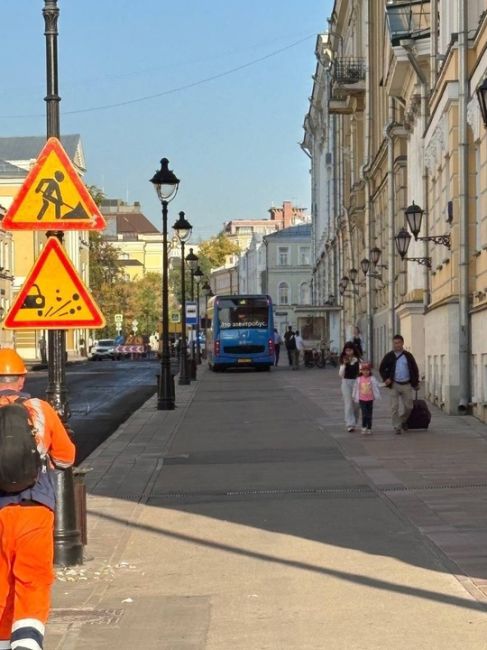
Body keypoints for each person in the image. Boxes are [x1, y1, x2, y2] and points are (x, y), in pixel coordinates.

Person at [0, 348, 75, 650]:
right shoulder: (39, 409)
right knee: (33, 579)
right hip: (34, 509)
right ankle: (28, 644)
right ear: (20, 379)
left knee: (2, 583)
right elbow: (67, 458)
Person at [379, 334, 420, 434]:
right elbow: (382, 368)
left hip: (406, 384)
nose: (396, 345)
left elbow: (414, 369)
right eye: (394, 343)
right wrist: (386, 379)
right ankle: (397, 426)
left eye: (398, 343)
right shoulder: (389, 356)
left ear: (402, 343)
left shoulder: (408, 356)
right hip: (394, 384)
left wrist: (415, 383)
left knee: (409, 406)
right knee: (394, 407)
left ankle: (402, 420)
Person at [353, 361, 381, 435]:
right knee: (364, 413)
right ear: (361, 371)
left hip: (370, 399)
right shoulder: (359, 379)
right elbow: (355, 388)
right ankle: (363, 426)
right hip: (362, 399)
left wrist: (384, 384)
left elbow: (377, 385)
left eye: (367, 370)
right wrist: (354, 396)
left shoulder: (372, 378)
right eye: (364, 370)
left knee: (369, 414)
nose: (366, 372)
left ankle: (369, 427)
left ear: (370, 371)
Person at [339, 341, 361, 432]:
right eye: (347, 351)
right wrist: (344, 364)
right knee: (348, 404)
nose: (348, 353)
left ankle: (354, 421)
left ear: (353, 351)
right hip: (346, 382)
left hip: (356, 382)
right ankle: (350, 424)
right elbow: (340, 374)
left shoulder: (358, 361)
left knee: (357, 404)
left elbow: (361, 372)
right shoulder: (343, 361)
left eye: (350, 350)